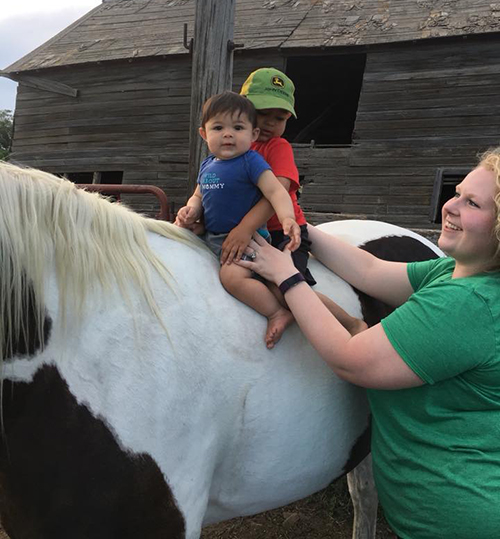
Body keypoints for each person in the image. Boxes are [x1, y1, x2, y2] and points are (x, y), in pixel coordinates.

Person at [237, 148, 500, 539]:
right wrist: (298, 227)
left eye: (472, 203)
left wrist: (286, 275)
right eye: (457, 192)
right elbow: (370, 269)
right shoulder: (455, 272)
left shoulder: (467, 305)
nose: (451, 206)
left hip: (460, 517)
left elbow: (349, 360)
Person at [221, 67, 365, 337]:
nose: (270, 123)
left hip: (280, 232)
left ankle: (352, 324)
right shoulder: (232, 147)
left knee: (286, 288)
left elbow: (277, 192)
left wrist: (243, 229)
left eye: (280, 117)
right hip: (245, 229)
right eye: (261, 113)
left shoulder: (278, 148)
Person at [175, 91, 301, 348]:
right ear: (204, 134)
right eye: (218, 127)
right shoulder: (208, 164)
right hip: (211, 237)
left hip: (247, 242)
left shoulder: (251, 162)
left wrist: (287, 217)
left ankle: (276, 312)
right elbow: (198, 196)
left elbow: (276, 190)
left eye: (238, 127)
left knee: (231, 278)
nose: (228, 134)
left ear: (253, 135)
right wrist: (190, 210)